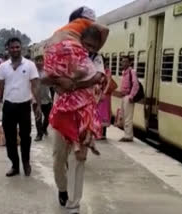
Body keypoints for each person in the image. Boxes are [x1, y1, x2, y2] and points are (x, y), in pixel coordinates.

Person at [43, 7, 108, 214]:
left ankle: (74, 204)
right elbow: (47, 77)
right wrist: (58, 81)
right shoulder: (62, 51)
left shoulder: (96, 58)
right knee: (58, 158)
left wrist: (71, 85)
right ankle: (63, 189)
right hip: (62, 113)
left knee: (79, 158)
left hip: (84, 115)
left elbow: (96, 79)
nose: (89, 48)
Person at [0, 37, 41, 177]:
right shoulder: (3, 67)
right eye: (12, 47)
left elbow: (36, 85)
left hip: (24, 106)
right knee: (10, 138)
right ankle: (15, 164)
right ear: (8, 49)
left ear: (22, 48)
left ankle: (26, 162)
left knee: (25, 137)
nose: (15, 49)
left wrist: (37, 104)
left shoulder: (30, 65)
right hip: (8, 107)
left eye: (17, 47)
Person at [119, 55, 139, 142]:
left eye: (125, 61)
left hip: (128, 97)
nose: (123, 63)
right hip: (123, 96)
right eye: (122, 61)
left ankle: (128, 136)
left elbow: (136, 85)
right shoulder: (124, 72)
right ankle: (127, 134)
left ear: (130, 63)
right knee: (124, 116)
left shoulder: (132, 72)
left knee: (128, 117)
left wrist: (131, 96)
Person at [33, 55, 53, 142]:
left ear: (44, 62)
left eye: (41, 60)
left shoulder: (48, 72)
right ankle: (39, 134)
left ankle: (44, 128)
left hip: (47, 99)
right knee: (38, 117)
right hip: (36, 100)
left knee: (48, 117)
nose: (39, 62)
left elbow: (52, 86)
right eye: (37, 61)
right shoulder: (33, 73)